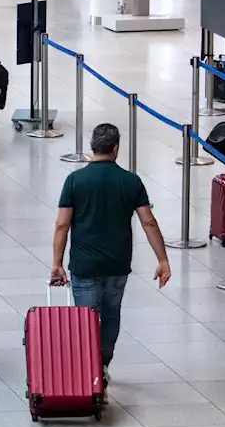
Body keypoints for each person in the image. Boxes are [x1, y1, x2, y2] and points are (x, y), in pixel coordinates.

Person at [50, 124, 171, 389]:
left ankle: (89, 370)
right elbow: (148, 222)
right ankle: (102, 366)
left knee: (87, 318)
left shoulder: (75, 180)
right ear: (116, 148)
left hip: (84, 264)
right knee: (111, 315)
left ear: (93, 146)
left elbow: (62, 224)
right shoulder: (131, 181)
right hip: (118, 264)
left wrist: (57, 263)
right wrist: (162, 260)